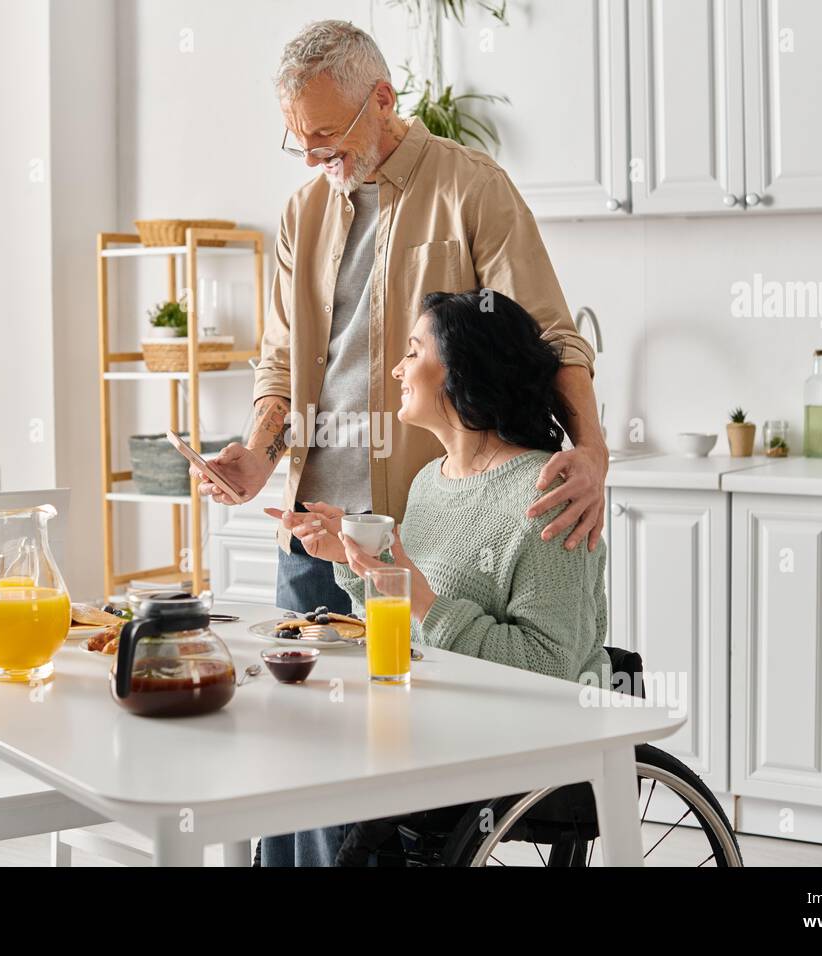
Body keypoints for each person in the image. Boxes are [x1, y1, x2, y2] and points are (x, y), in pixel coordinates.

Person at [191, 20, 609, 618]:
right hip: (312, 538)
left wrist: (592, 451)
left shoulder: (471, 187)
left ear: (383, 100)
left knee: (421, 705)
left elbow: (551, 338)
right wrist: (259, 455)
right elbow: (284, 363)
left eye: (326, 133)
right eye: (298, 140)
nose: (312, 156)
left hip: (426, 537)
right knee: (304, 709)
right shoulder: (301, 213)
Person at [264, 289, 611, 867]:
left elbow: (551, 668)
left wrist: (421, 596)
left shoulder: (547, 495)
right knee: (290, 730)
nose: (397, 369)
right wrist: (351, 561)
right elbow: (410, 623)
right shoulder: (431, 480)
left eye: (413, 351)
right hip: (436, 711)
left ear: (462, 370)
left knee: (324, 757)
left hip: (514, 734)